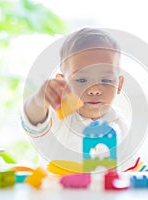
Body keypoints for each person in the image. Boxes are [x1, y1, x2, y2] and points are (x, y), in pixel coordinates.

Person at [21, 28, 135, 171]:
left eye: (106, 80)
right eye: (81, 80)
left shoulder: (119, 124)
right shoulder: (58, 119)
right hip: (57, 192)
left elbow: (130, 171)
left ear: (119, 85)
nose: (94, 89)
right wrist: (39, 100)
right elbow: (33, 119)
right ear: (62, 83)